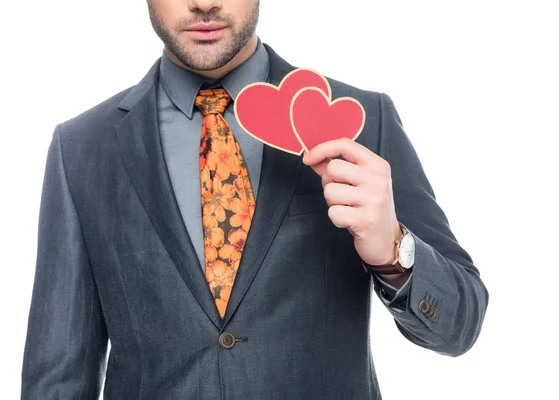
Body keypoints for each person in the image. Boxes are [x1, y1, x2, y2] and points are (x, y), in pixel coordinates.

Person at [21, 0, 489, 399]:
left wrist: (393, 251)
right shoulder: (81, 147)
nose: (204, 2)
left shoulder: (362, 120)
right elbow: (57, 376)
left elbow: (458, 327)